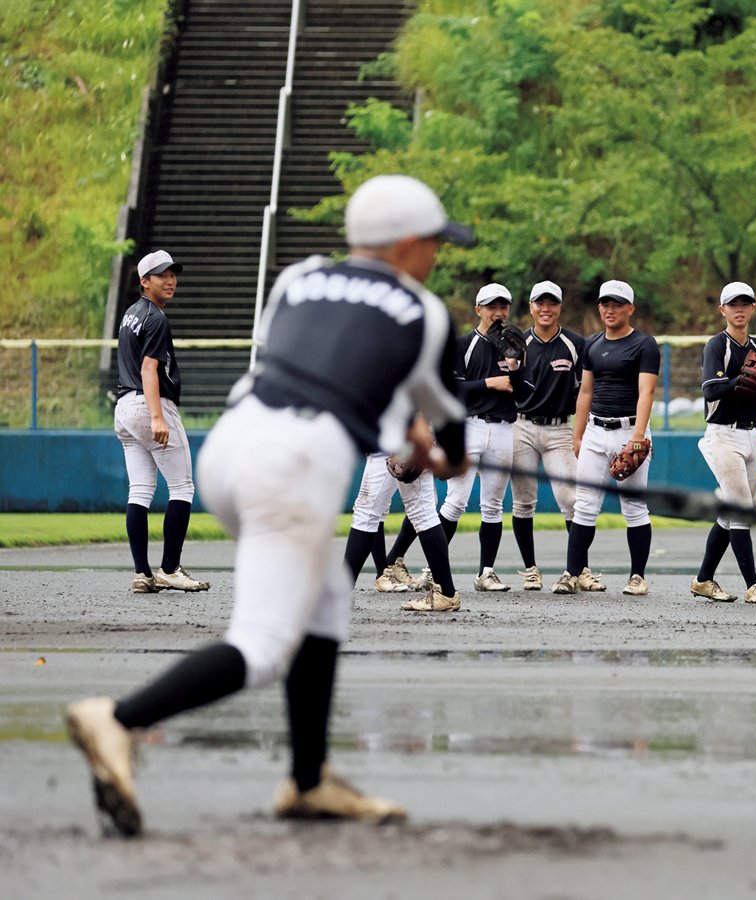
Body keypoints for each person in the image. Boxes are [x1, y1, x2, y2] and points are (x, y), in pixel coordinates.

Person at [65, 174, 471, 836]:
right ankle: (118, 719)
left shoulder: (299, 279)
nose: (436, 254)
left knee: (327, 601)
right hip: (293, 466)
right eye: (432, 242)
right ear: (404, 244)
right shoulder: (423, 313)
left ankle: (309, 781)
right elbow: (450, 452)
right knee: (263, 643)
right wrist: (435, 453)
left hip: (234, 446)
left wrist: (401, 429)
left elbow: (323, 359)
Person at [552, 280, 661, 597]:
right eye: (605, 304)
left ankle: (637, 576)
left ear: (630, 309)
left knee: (634, 508)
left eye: (617, 304)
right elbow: (586, 391)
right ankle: (572, 573)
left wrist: (638, 436)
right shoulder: (592, 344)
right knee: (584, 506)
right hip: (596, 432)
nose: (610, 310)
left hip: (630, 430)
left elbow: (646, 391)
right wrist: (578, 435)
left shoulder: (644, 344)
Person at [114, 250, 209, 594]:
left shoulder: (130, 315)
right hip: (149, 403)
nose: (170, 280)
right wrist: (157, 416)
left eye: (172, 274)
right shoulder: (155, 318)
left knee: (140, 489)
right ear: (144, 281)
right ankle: (169, 569)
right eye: (161, 275)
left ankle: (142, 573)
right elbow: (149, 368)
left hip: (124, 407)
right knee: (182, 487)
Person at [691, 281, 756, 604]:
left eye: (745, 303)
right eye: (733, 304)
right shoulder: (717, 345)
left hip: (752, 434)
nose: (739, 309)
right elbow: (710, 390)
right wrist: (738, 381)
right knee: (742, 509)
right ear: (723, 310)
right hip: (722, 435)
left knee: (729, 514)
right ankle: (753, 585)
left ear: (753, 308)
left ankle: (703, 580)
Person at [437, 283, 531, 593]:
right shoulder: (463, 344)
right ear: (478, 310)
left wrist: (515, 365)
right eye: (492, 307)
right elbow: (451, 389)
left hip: (503, 427)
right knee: (455, 502)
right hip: (470, 426)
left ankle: (486, 572)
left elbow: (526, 393)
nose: (498, 313)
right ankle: (433, 570)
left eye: (503, 306)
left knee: (493, 505)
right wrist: (488, 383)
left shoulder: (514, 346)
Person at [511, 280, 584, 589]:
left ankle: (579, 570)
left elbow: (586, 391)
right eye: (539, 302)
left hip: (560, 428)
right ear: (531, 307)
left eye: (551, 303)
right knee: (523, 501)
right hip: (522, 426)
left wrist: (581, 432)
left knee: (572, 500)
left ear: (560, 307)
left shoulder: (575, 343)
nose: (545, 308)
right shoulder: (518, 342)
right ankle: (530, 569)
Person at [341, 444, 456, 608]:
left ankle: (341, 594)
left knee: (369, 511)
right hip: (404, 439)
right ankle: (446, 592)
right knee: (420, 511)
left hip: (403, 439)